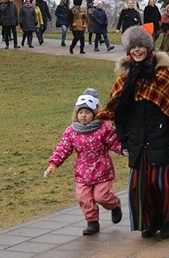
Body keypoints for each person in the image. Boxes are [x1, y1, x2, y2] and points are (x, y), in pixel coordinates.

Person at [96, 26, 169, 239]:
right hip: (136, 137)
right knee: (138, 187)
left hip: (158, 134)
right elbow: (118, 111)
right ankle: (148, 222)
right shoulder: (124, 76)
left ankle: (165, 220)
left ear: (148, 48)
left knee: (159, 183)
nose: (138, 50)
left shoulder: (161, 72)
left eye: (141, 46)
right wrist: (122, 140)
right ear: (128, 50)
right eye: (133, 47)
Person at [45, 89, 124, 236]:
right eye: (80, 112)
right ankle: (92, 222)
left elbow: (114, 142)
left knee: (101, 196)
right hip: (82, 171)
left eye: (87, 113)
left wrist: (124, 149)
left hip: (102, 168)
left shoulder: (103, 128)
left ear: (95, 114)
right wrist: (54, 163)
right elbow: (63, 148)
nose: (83, 116)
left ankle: (114, 205)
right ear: (76, 114)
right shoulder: (71, 131)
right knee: (84, 198)